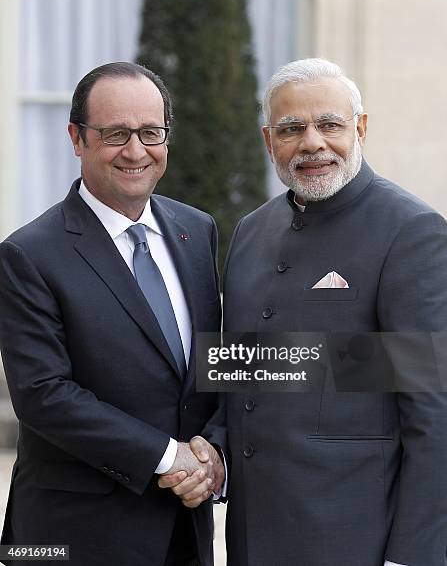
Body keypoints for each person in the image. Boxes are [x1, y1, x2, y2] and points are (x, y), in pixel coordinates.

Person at [165, 58, 447, 565]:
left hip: (357, 541)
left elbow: (433, 411)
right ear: (268, 141)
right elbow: (244, 369)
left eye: (330, 124)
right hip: (254, 537)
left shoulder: (411, 232)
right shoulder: (250, 231)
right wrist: (215, 450)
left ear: (360, 128)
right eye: (292, 128)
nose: (312, 142)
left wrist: (414, 556)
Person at [0, 62, 224, 566]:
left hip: (184, 530)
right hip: (72, 535)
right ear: (77, 139)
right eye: (116, 133)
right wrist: (170, 459)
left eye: (151, 132)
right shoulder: (29, 254)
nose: (136, 151)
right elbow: (43, 395)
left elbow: (212, 364)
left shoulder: (197, 230)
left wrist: (214, 454)